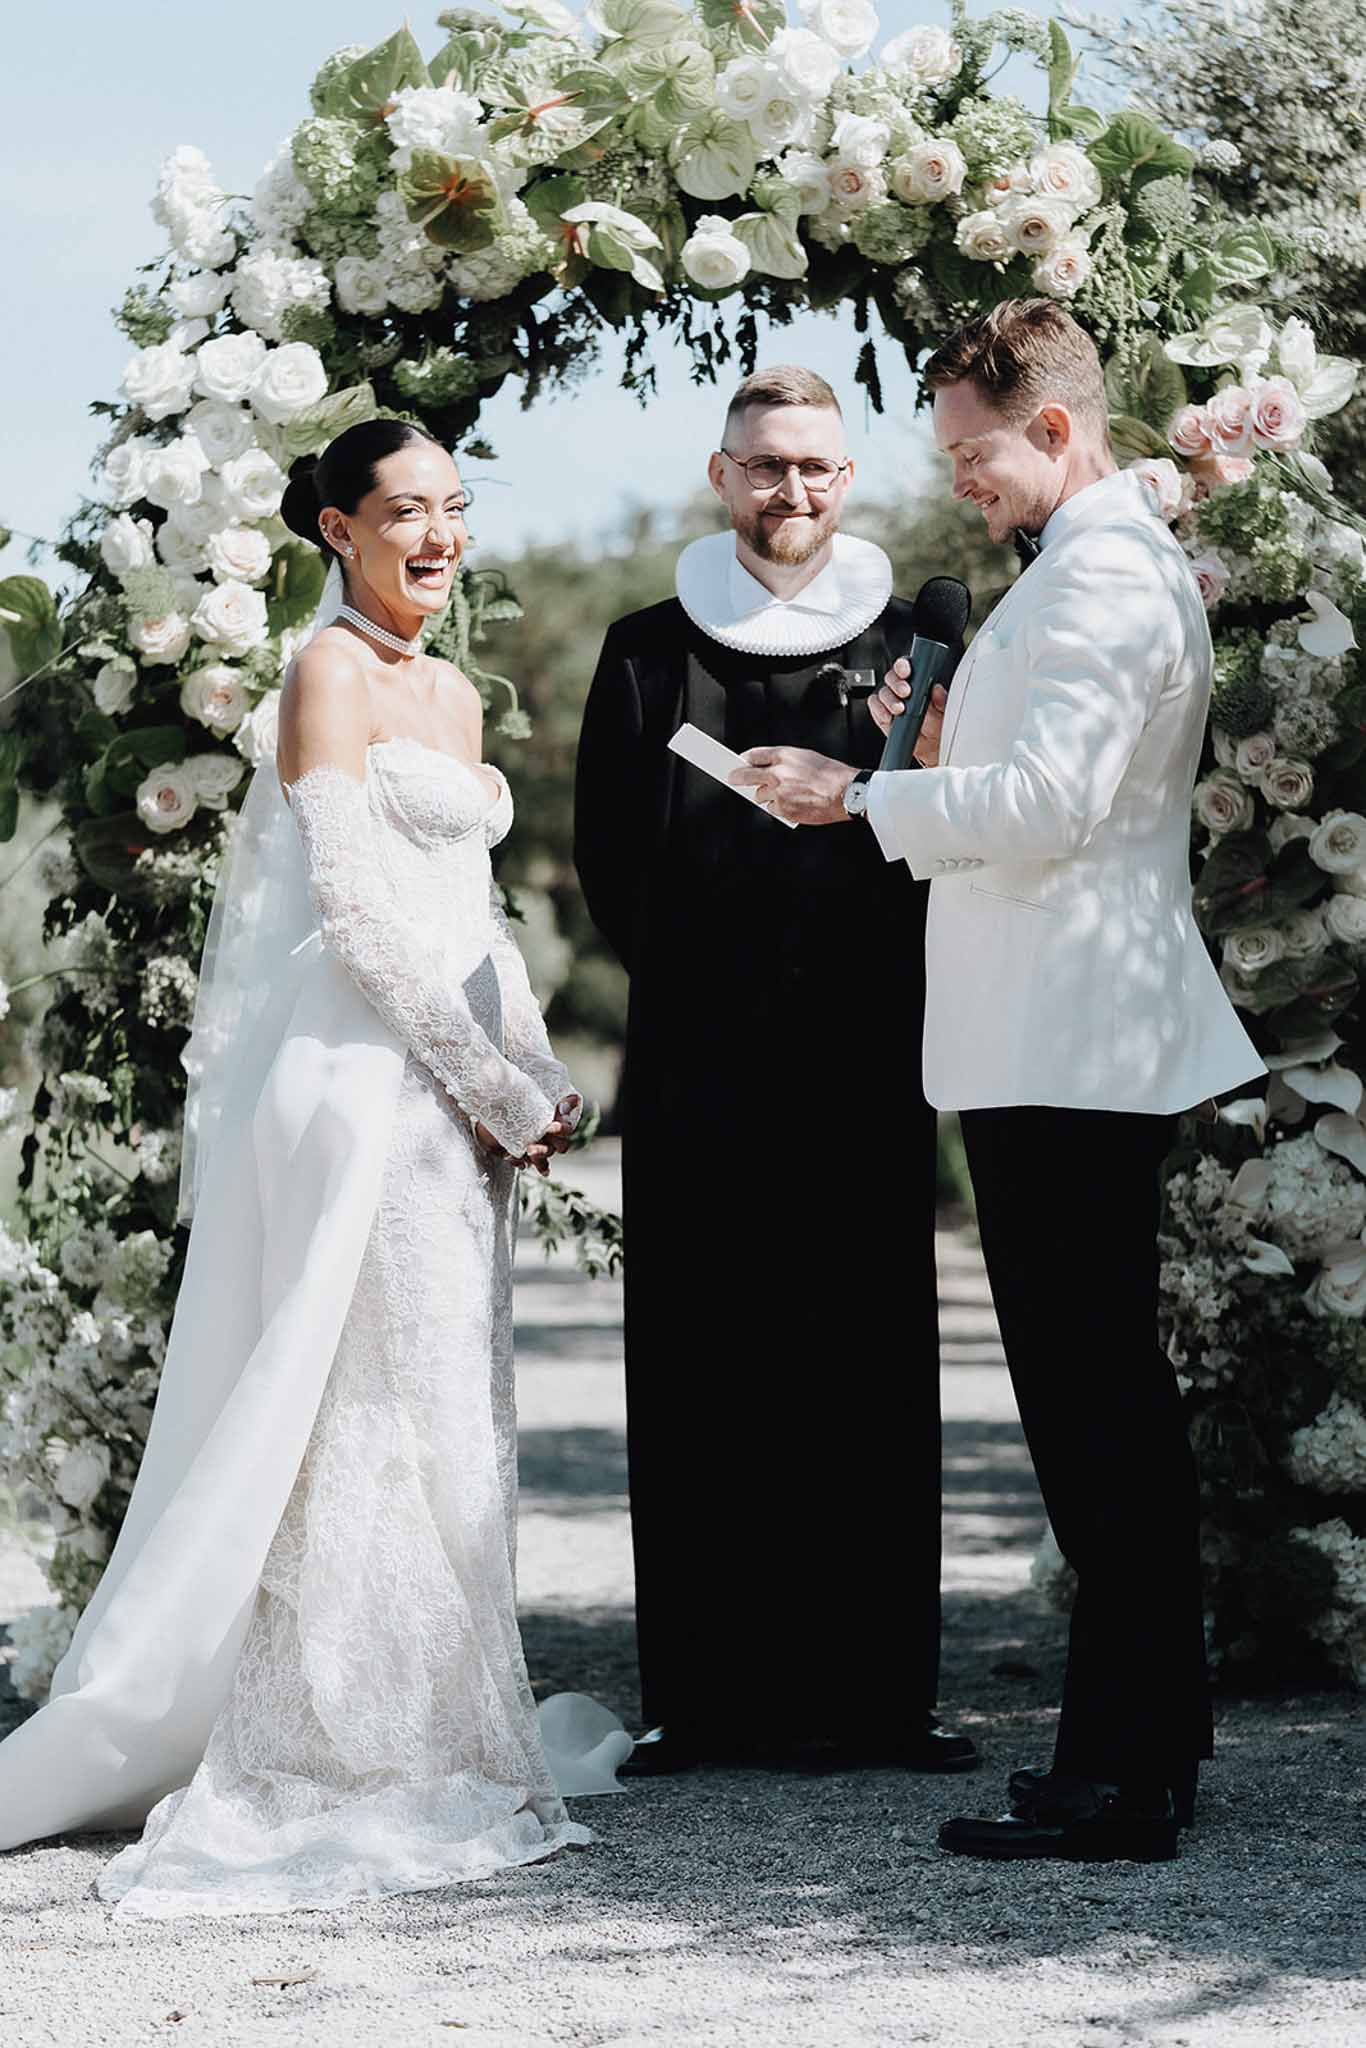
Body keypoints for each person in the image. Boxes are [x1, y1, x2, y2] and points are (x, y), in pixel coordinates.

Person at [0, 419, 630, 1914]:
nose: (436, 533)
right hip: (352, 1091)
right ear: (335, 531)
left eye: (455, 509)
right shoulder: (325, 672)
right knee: (349, 1406)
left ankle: (434, 1717)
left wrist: (531, 1074)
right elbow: (352, 914)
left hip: (454, 1092)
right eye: (403, 510)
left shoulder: (459, 694)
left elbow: (472, 927)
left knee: (442, 1400)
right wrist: (481, 1082)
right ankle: (328, 1735)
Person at [733, 301, 1265, 1862]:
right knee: (1094, 1412)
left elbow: (1043, 805)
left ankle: (1126, 1777)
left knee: (1098, 1418)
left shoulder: (1100, 571)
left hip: (1070, 1039)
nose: (955, 481)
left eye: (970, 451)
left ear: (1051, 428)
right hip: (1048, 1035)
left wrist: (865, 794)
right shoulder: (1080, 568)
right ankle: (1126, 1755)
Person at [574, 366, 976, 1777]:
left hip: (869, 1052)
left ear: (846, 478)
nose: (787, 492)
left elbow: (946, 829)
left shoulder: (916, 644)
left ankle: (876, 1698)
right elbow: (608, 859)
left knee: (863, 1358)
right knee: (702, 1362)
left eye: (813, 467)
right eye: (762, 467)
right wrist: (717, 980)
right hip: (698, 1059)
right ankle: (710, 1697)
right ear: (719, 474)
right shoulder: (638, 647)